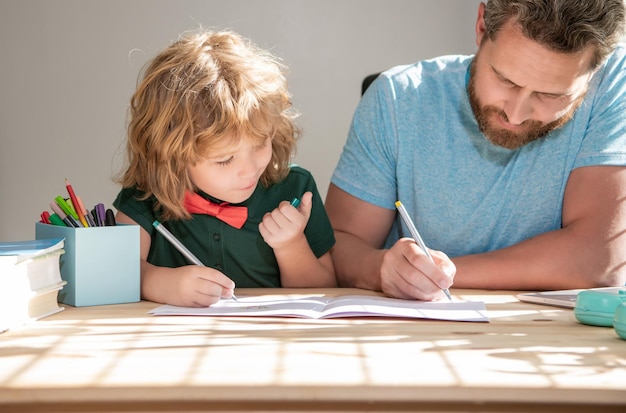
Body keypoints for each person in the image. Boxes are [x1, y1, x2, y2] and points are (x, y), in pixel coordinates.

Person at [326, 0, 626, 301]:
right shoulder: (396, 97)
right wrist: (381, 269)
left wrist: (441, 275)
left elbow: (599, 259)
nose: (516, 115)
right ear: (481, 27)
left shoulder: (614, 82)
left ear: (594, 72)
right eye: (505, 80)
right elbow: (338, 245)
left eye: (551, 95)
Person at [114, 29, 336, 307]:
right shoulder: (145, 193)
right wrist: (160, 283)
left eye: (259, 145)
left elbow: (326, 291)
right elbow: (117, 272)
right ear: (171, 154)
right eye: (224, 160)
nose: (248, 170)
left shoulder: (294, 188)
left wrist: (290, 245)